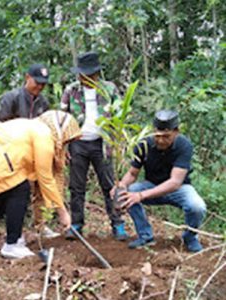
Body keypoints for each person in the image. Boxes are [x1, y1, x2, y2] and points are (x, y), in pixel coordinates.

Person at [0, 110, 81, 259]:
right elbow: (45, 177)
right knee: (20, 189)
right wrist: (63, 213)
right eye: (67, 140)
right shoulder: (44, 134)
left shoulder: (34, 127)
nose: (65, 144)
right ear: (62, 130)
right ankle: (12, 244)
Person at [112, 110, 206, 252]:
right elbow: (132, 173)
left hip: (179, 189)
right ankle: (145, 235)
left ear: (176, 132)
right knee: (129, 193)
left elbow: (175, 182)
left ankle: (190, 237)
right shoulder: (143, 145)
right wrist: (121, 186)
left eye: (166, 137)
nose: (161, 140)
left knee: (197, 206)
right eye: (157, 136)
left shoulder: (184, 146)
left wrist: (141, 196)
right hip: (151, 185)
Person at [61, 51, 128, 241]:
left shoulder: (109, 89)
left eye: (89, 74)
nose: (85, 78)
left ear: (96, 74)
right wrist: (64, 146)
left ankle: (117, 224)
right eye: (82, 74)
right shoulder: (71, 90)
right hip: (78, 143)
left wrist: (118, 142)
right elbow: (63, 119)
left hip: (103, 144)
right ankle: (76, 224)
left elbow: (120, 115)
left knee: (109, 185)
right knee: (76, 186)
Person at [0, 64, 59, 238]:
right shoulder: (11, 98)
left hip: (37, 152)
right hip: (15, 152)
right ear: (27, 77)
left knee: (40, 188)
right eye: (37, 82)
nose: (39, 87)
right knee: (18, 191)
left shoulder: (44, 102)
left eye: (43, 84)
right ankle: (16, 230)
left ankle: (41, 225)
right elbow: (2, 126)